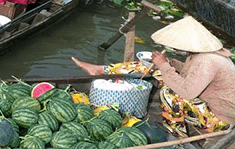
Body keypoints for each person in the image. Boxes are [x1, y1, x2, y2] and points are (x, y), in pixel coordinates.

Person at [72, 16, 235, 127]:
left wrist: (164, 66)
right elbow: (190, 73)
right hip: (203, 101)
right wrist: (168, 63)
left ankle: (178, 135)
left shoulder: (207, 61)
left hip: (217, 119)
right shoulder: (200, 55)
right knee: (152, 66)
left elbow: (188, 92)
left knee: (169, 95)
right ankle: (102, 70)